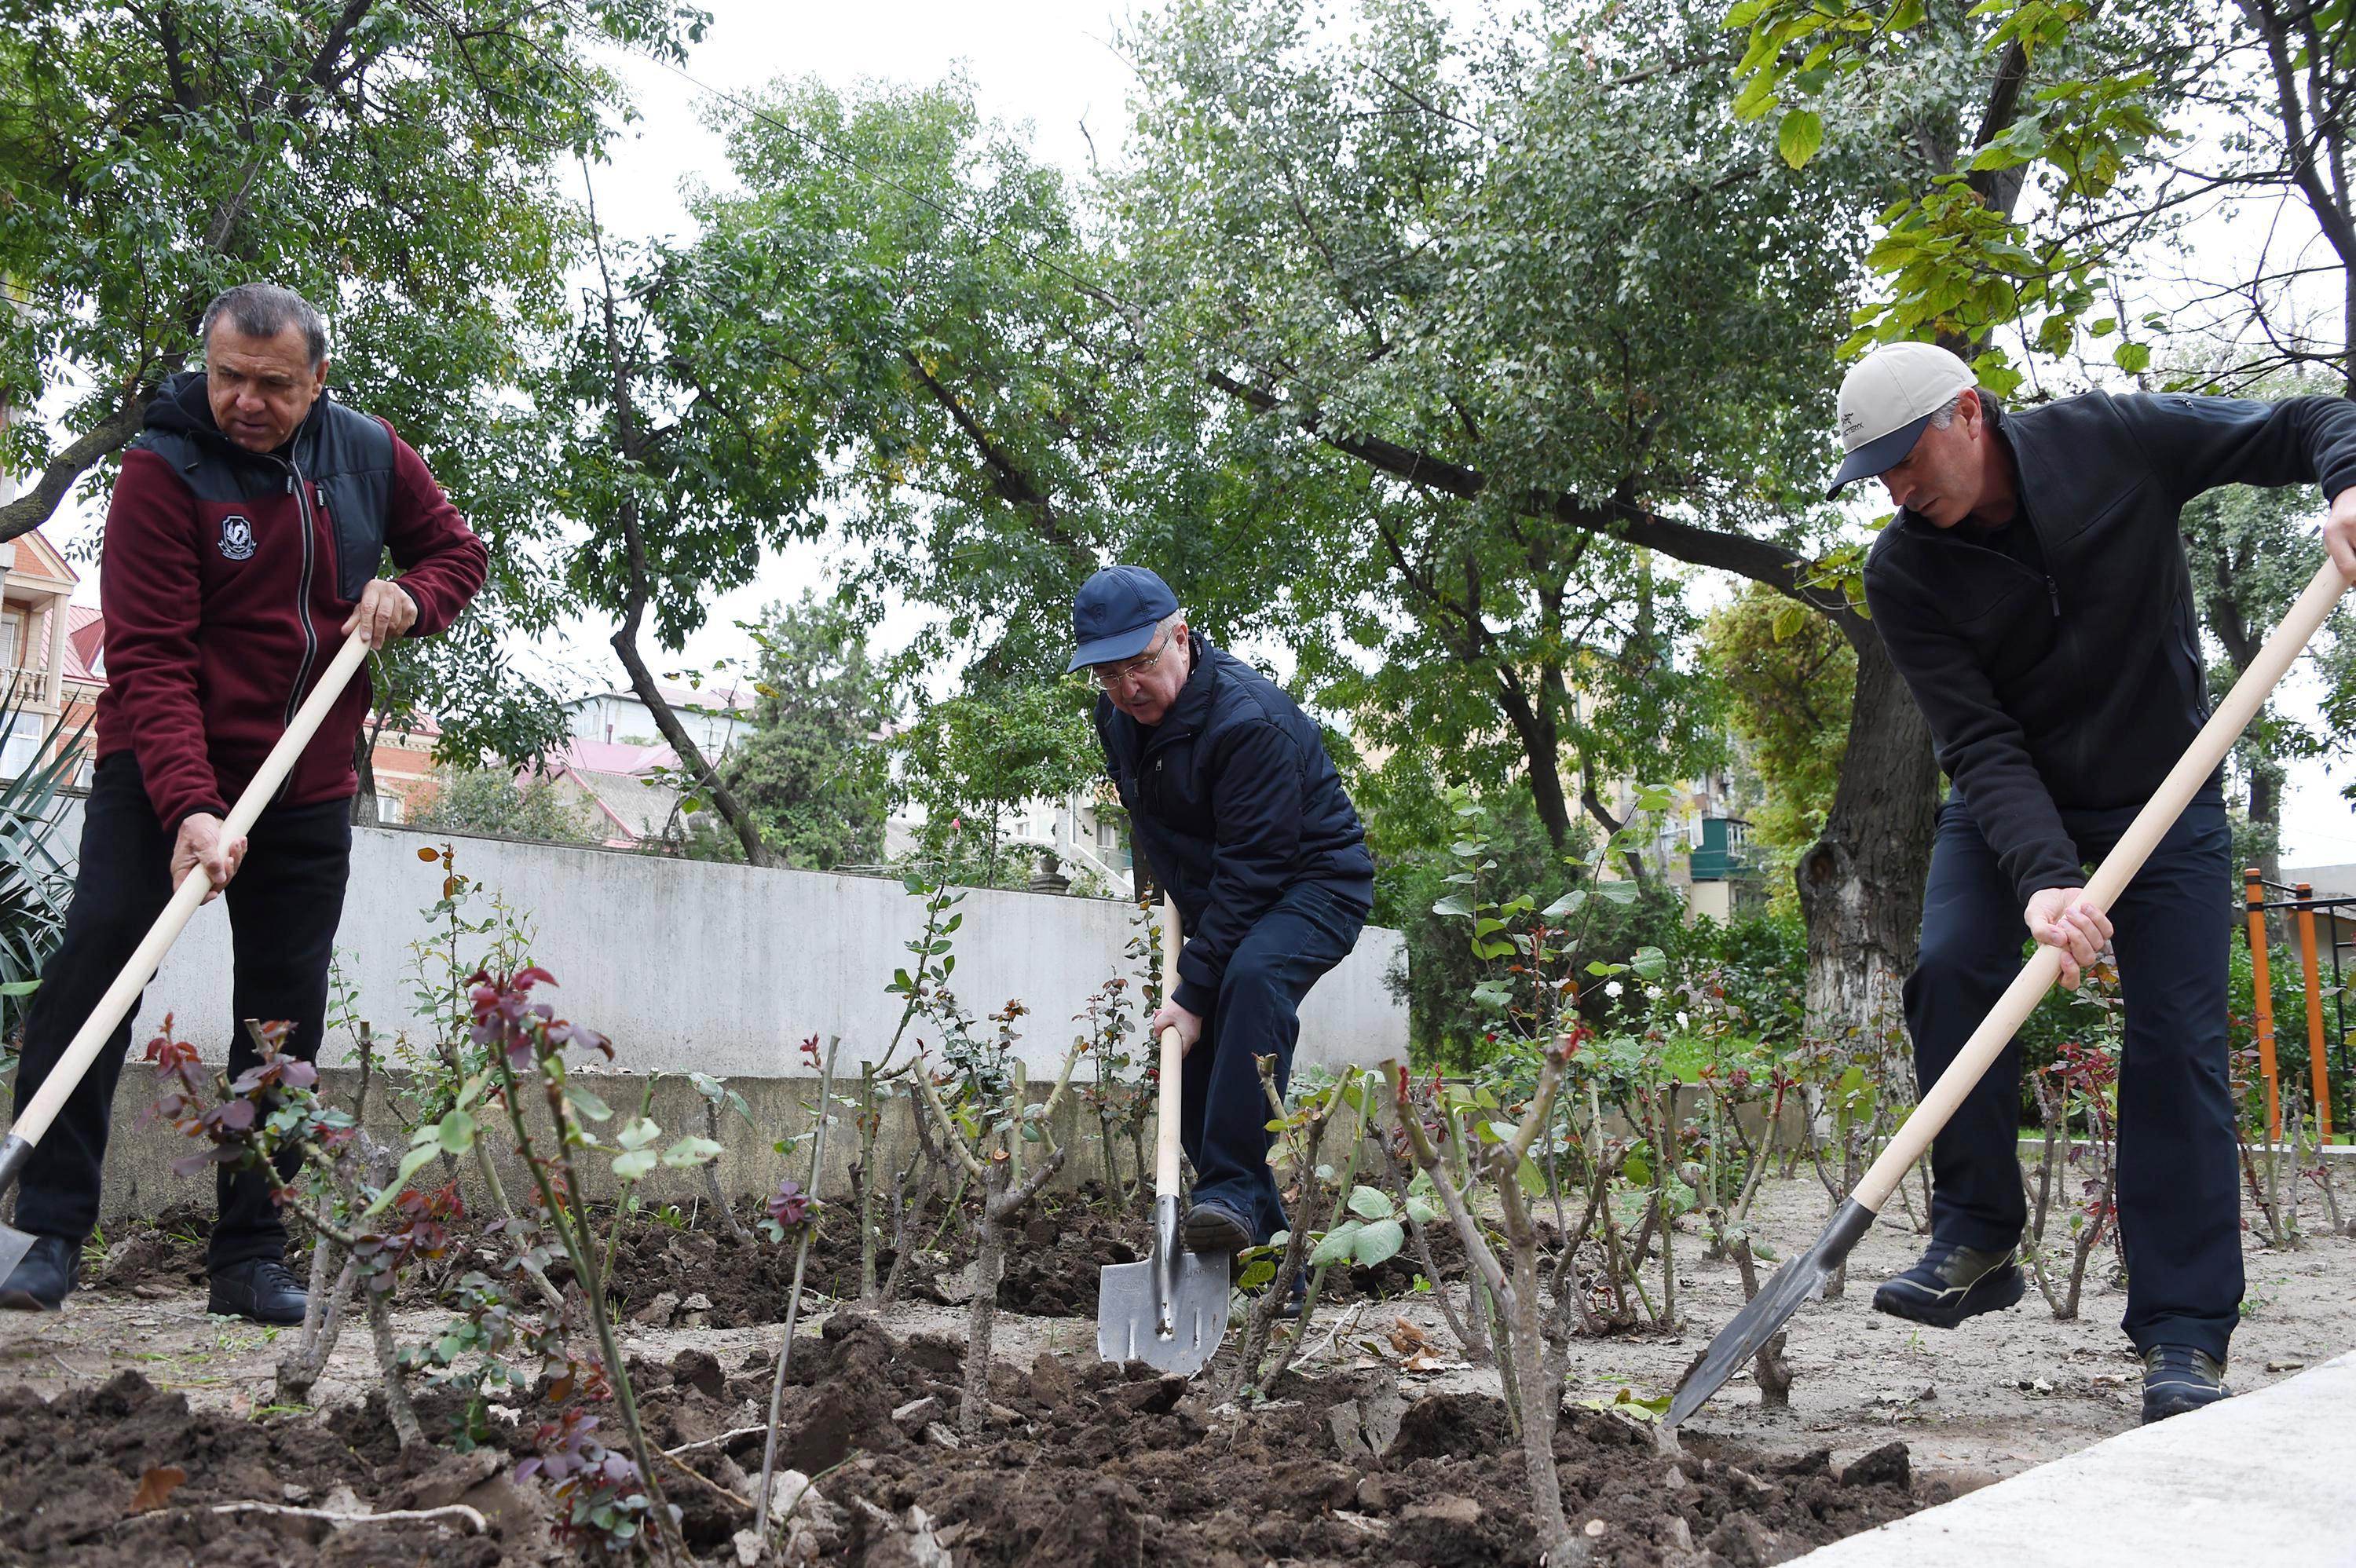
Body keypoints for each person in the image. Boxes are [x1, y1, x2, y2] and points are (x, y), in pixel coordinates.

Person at [1837, 340, 2356, 1424]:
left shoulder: (2113, 441)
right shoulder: (1904, 573)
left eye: (1906, 459)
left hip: (2166, 795)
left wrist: (2350, 484)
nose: (1899, 488)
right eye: (1877, 475)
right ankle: (1977, 1230)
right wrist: (2042, 880)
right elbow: (1976, 741)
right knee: (1950, 966)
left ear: (1969, 414)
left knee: (2175, 1041)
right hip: (2006, 808)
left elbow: (2307, 419)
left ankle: (2184, 1334)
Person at [0, 283, 488, 1322]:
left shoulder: (366, 453)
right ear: (206, 368)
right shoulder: (161, 468)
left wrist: (413, 595)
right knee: (94, 965)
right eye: (228, 378)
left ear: (317, 380)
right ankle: (43, 1230)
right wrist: (191, 809)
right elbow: (149, 659)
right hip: (160, 769)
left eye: (273, 384)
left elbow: (457, 552)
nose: (246, 402)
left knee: (281, 1017)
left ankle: (249, 1255)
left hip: (305, 775)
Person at [1071, 565, 1374, 1259]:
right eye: (1107, 675)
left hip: (1314, 881)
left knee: (1252, 978)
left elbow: (1256, 868)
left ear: (1180, 636)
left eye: (1138, 667)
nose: (1125, 689)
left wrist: (1195, 983)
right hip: (1226, 892)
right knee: (1203, 1060)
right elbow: (1158, 821)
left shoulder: (1249, 721)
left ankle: (1231, 1190)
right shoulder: (1116, 720)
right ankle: (1265, 1258)